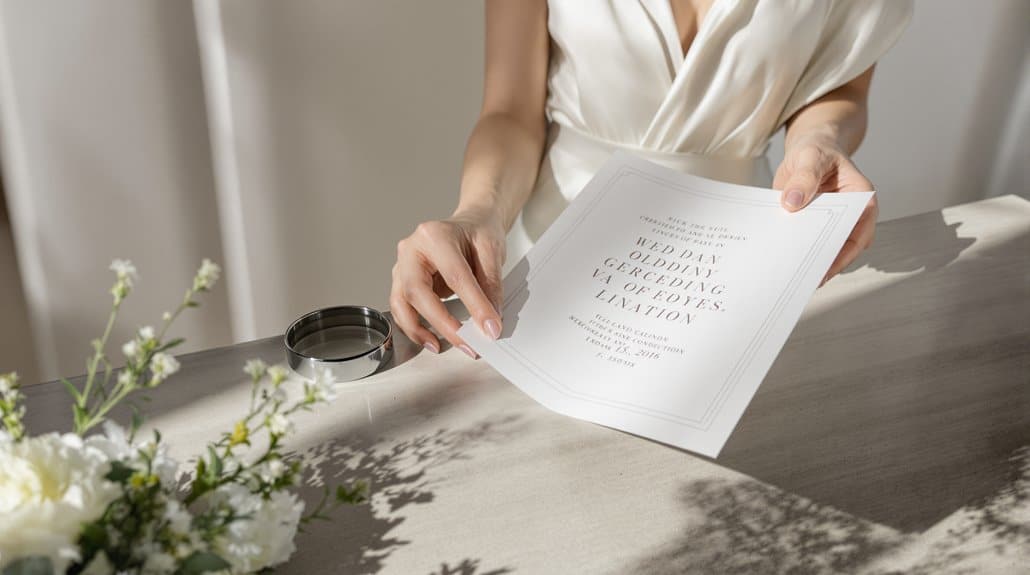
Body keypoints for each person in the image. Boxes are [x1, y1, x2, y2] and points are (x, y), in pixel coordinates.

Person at [390, 0, 913, 358]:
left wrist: (819, 143)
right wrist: (477, 211)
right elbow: (510, 110)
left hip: (729, 267)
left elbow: (839, 84)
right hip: (551, 260)